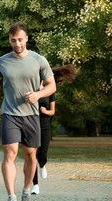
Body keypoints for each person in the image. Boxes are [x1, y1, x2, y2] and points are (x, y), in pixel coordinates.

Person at [0, 23, 56, 201]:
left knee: (30, 154)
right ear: (9, 40)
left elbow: (51, 85)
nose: (17, 44)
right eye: (13, 40)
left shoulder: (39, 60)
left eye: (20, 39)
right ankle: (11, 195)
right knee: (9, 152)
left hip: (32, 115)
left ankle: (26, 189)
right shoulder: (1, 61)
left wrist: (38, 95)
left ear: (26, 38)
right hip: (10, 114)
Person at [31, 64, 76, 195]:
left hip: (45, 126)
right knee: (32, 156)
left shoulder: (50, 91)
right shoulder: (31, 90)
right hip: (31, 125)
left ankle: (43, 165)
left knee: (42, 156)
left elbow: (53, 111)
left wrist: (46, 111)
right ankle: (35, 185)